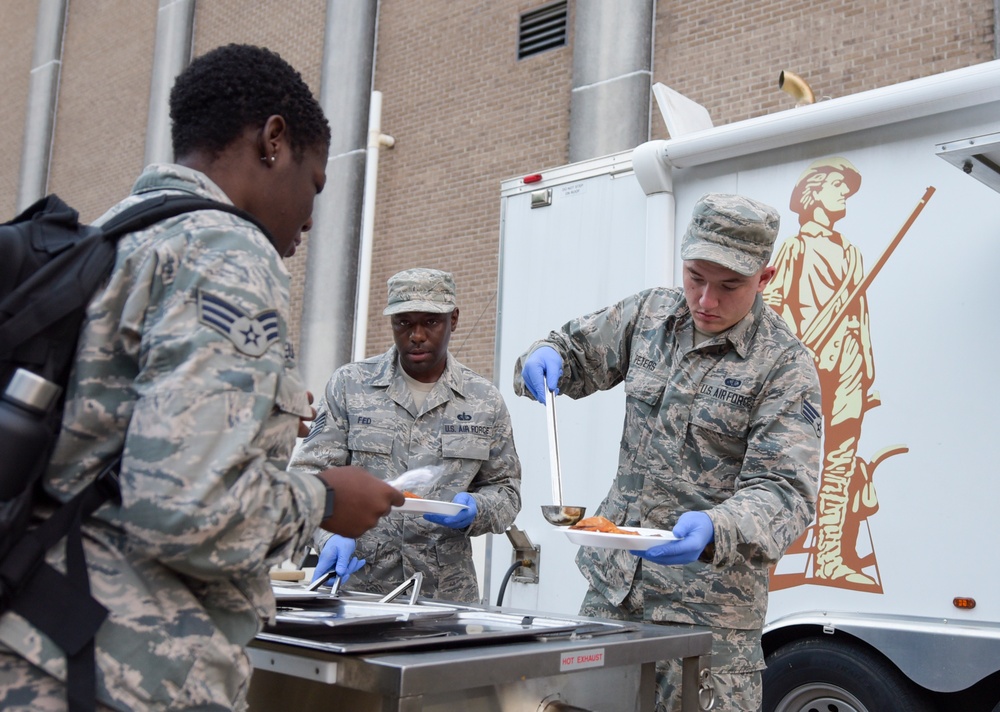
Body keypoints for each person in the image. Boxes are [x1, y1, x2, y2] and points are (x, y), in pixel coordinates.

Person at [0, 44, 403, 711]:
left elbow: (107, 439)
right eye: (315, 183)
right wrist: (325, 499)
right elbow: (187, 512)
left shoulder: (115, 237)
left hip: (40, 641)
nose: (308, 217)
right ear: (274, 141)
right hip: (123, 672)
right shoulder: (225, 250)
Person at [513, 194, 822, 712]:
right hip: (614, 596)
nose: (705, 299)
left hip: (708, 624)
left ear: (764, 279)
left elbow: (786, 492)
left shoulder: (784, 367)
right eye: (695, 277)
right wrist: (548, 357)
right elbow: (574, 350)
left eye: (728, 287)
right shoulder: (650, 315)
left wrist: (717, 527)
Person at [290, 268, 521, 603]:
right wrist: (327, 537)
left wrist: (478, 508)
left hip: (446, 597)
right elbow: (308, 476)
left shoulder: (483, 400)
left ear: (453, 320)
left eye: (430, 322)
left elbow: (507, 491)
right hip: (359, 589)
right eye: (404, 323)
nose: (416, 335)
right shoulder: (350, 385)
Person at [763, 157, 880, 589]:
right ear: (813, 193)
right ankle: (772, 558)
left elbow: (862, 318)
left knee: (841, 467)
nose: (844, 193)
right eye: (836, 185)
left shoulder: (852, 253)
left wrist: (867, 374)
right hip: (808, 368)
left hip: (849, 366)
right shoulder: (795, 249)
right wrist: (800, 343)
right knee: (790, 463)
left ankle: (832, 558)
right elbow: (770, 310)